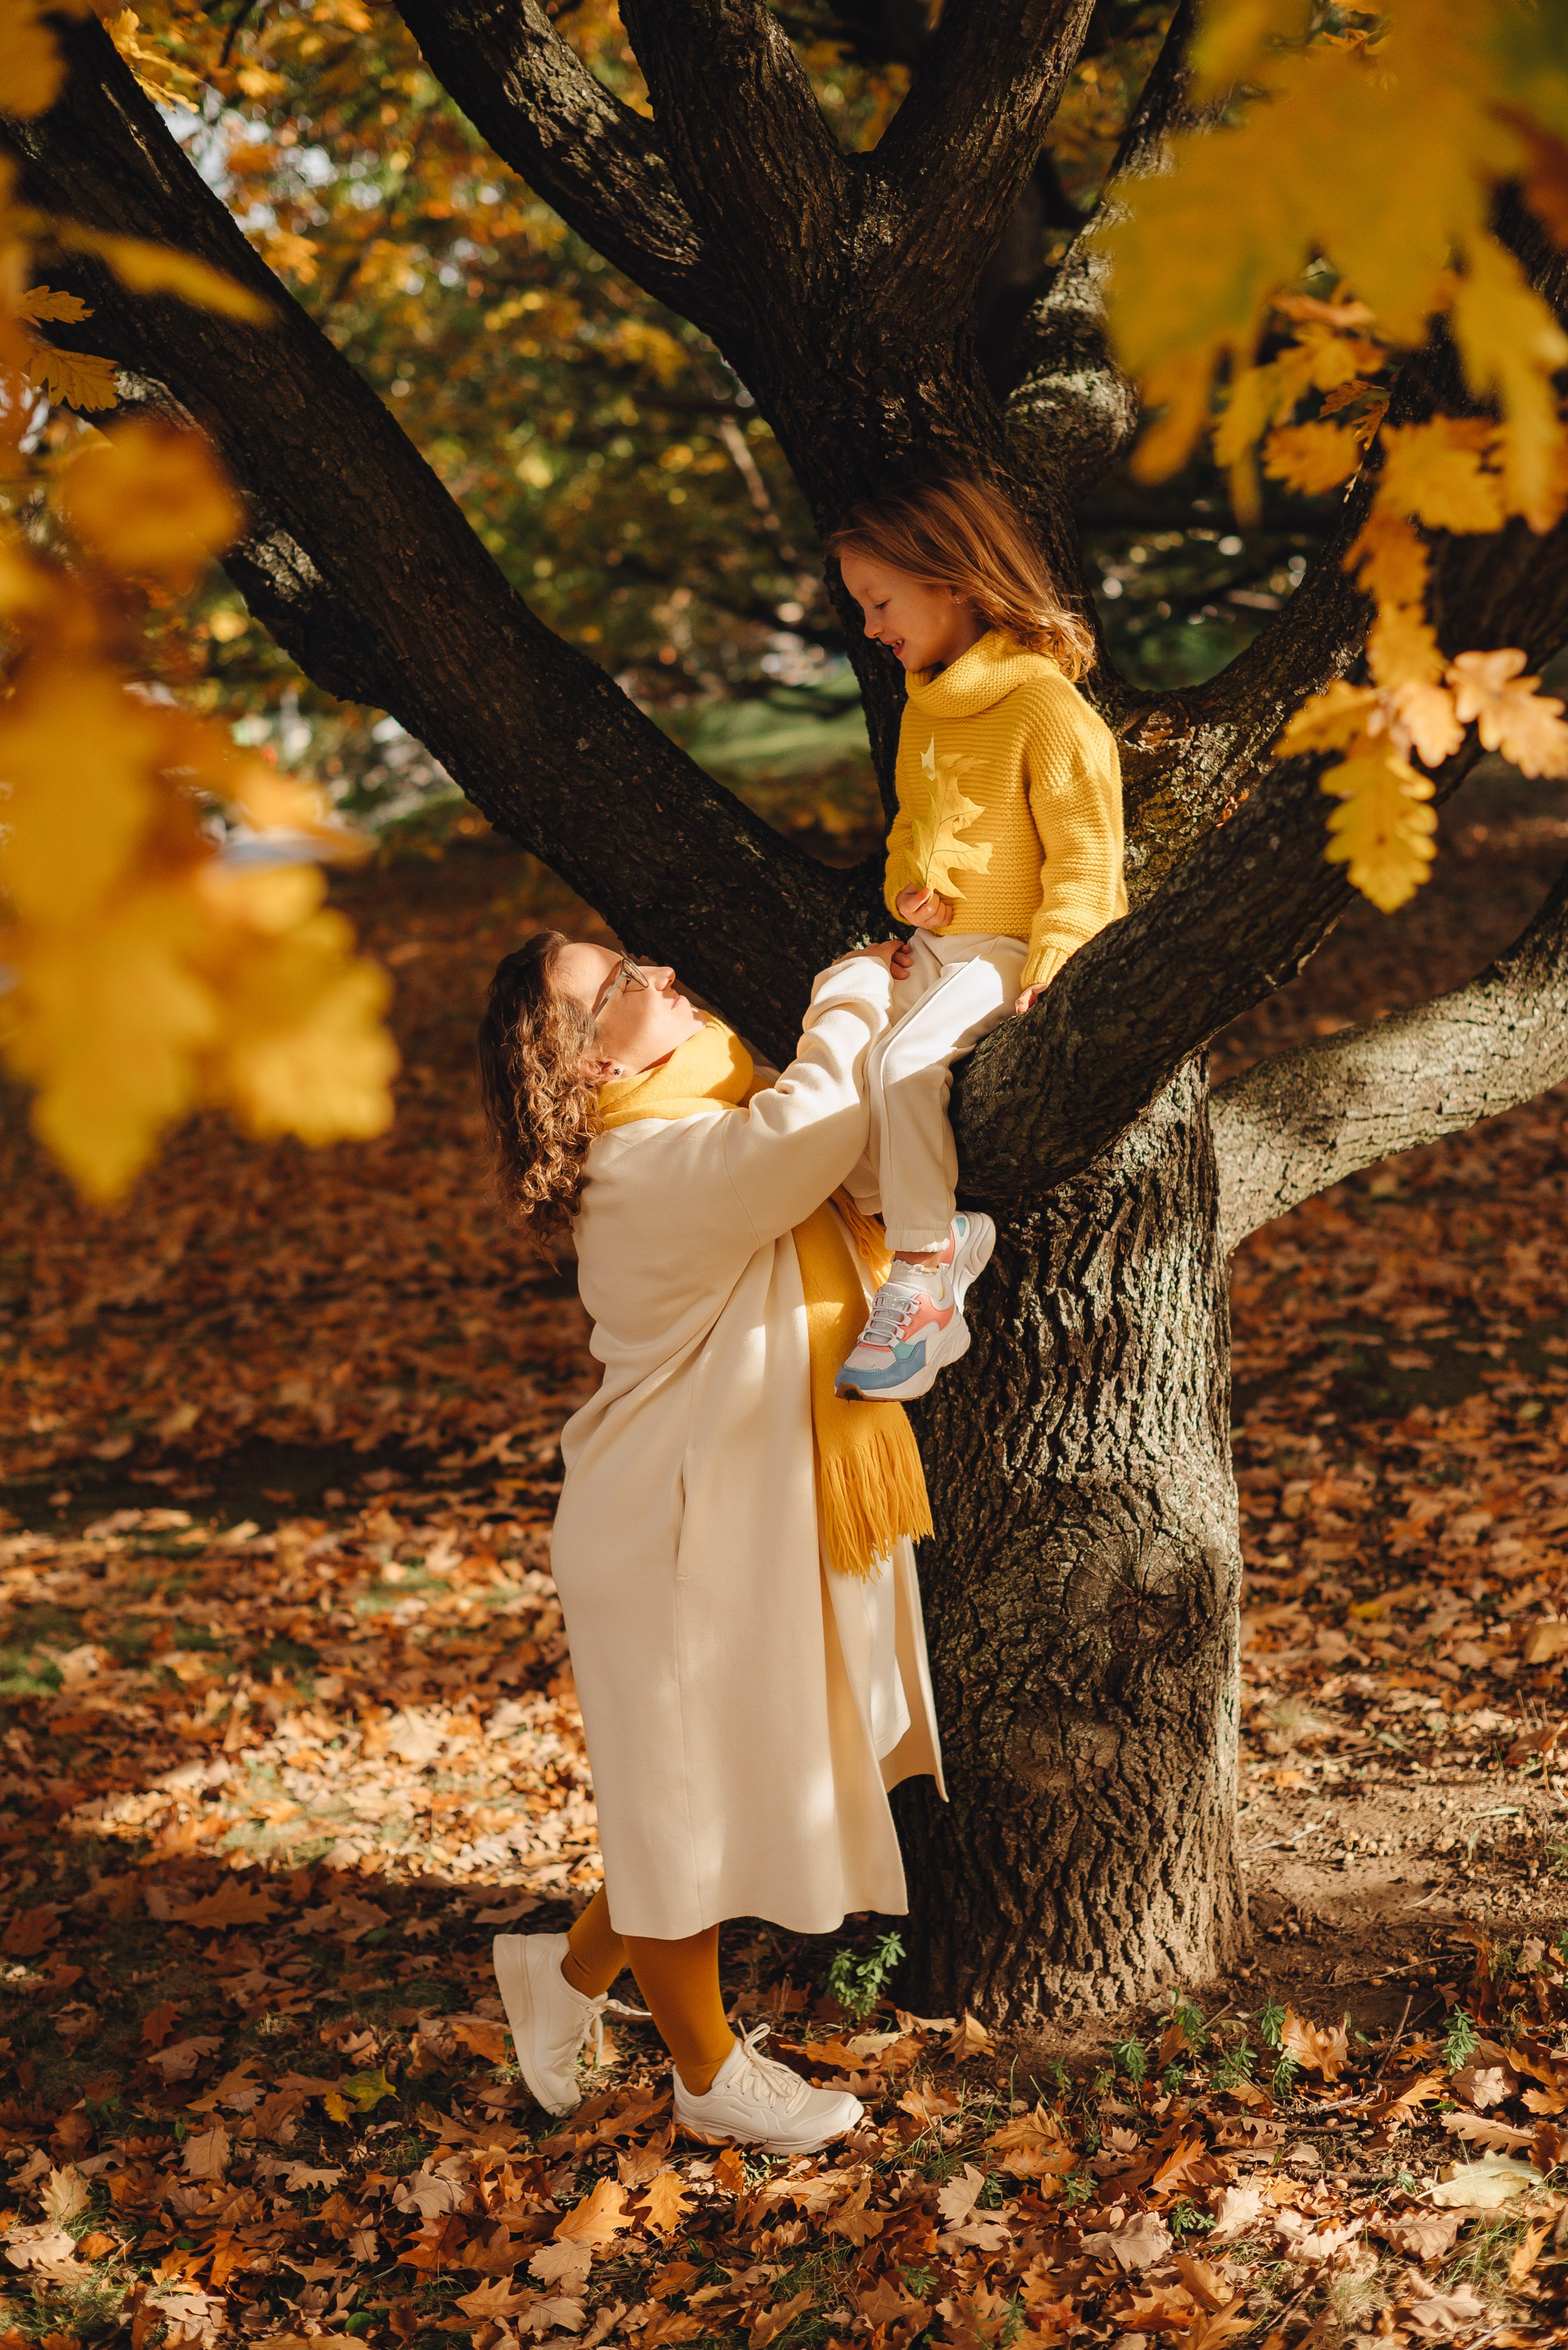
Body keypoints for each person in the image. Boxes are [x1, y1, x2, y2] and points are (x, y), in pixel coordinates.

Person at [474, 931, 945, 2153]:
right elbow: (817, 1129)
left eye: (637, 963)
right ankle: (707, 2074)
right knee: (681, 1814)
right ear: (576, 1067)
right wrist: (846, 985)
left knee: (694, 1797)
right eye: (622, 988)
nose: (666, 976)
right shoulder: (650, 1164)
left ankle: (563, 1977)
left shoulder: (688, 1126)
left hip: (713, 1513)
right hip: (666, 1532)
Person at [824, 475, 1128, 1405]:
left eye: (880, 602)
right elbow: (913, 833)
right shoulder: (923, 709)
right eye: (862, 608)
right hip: (939, 951)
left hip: (1007, 955)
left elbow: (1088, 856)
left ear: (951, 578)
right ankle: (913, 1233)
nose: (871, 628)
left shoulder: (1042, 707)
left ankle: (923, 1271)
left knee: (909, 1064)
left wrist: (1056, 961)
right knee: (843, 1072)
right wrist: (908, 895)